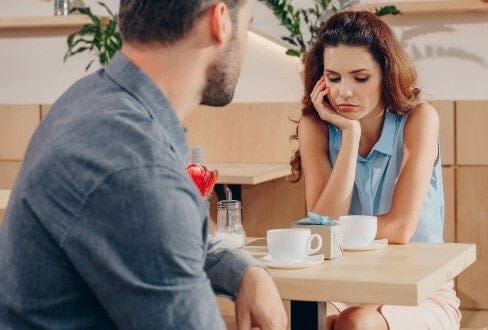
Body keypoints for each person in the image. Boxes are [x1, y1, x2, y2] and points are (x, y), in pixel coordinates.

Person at [0, 0, 287, 329]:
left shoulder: (95, 103)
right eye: (246, 26)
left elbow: (157, 240)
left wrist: (243, 272)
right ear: (219, 22)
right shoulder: (135, 166)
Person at [290, 11, 461, 330]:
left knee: (357, 324)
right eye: (334, 78)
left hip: (419, 287)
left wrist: (337, 232)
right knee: (310, 320)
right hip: (345, 283)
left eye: (360, 77)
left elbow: (400, 229)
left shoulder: (420, 120)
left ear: (386, 74)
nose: (345, 92)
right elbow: (322, 229)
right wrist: (350, 134)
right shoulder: (315, 127)